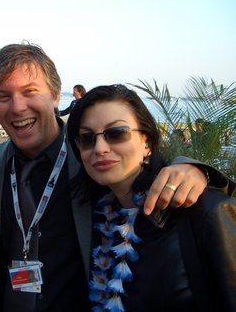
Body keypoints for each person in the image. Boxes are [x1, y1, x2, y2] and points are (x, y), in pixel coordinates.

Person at [0, 43, 232, 311]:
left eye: (30, 91)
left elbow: (144, 170)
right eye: (3, 96)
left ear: (56, 95)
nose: (18, 107)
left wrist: (195, 169)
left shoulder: (92, 160)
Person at [66, 84, 236, 311]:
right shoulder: (92, 213)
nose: (100, 148)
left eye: (116, 133)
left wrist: (201, 171)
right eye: (87, 138)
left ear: (146, 142)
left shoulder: (202, 210)